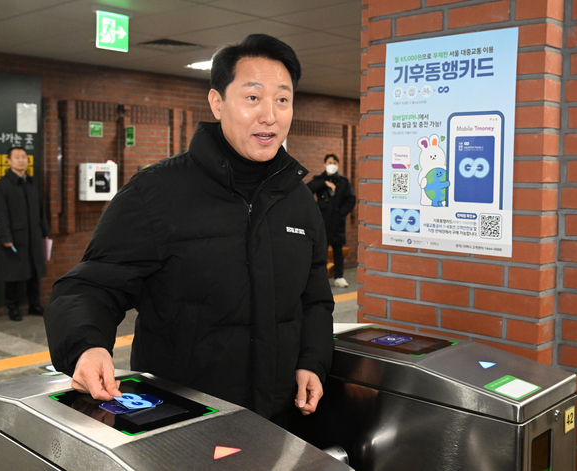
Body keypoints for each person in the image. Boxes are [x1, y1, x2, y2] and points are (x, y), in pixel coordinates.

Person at [44, 34, 334, 425]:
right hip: (183, 417)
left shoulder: (298, 200)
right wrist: (86, 346)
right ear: (217, 102)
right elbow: (90, 286)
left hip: (278, 415)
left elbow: (314, 299)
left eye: (282, 99)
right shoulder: (156, 192)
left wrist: (312, 361)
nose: (270, 114)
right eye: (252, 97)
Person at [0, 146, 50, 321]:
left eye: (24, 157)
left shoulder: (31, 183)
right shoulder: (2, 185)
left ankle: (34, 304)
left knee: (34, 272)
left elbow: (41, 210)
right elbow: (0, 214)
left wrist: (45, 231)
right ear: (9, 161)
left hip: (33, 236)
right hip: (15, 238)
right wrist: (6, 237)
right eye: (17, 157)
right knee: (13, 274)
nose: (21, 160)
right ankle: (13, 308)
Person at [307, 154, 356, 288]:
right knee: (320, 251)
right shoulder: (318, 180)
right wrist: (324, 183)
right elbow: (307, 189)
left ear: (338, 165)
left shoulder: (343, 181)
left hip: (337, 222)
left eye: (334, 162)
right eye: (329, 162)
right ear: (324, 164)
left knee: (338, 250)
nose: (332, 164)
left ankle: (339, 277)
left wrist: (341, 213)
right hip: (322, 222)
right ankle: (320, 279)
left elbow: (351, 199)